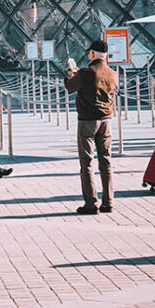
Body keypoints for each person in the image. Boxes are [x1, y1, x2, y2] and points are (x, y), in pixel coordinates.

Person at [64, 40, 118, 214]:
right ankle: (108, 202)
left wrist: (70, 73)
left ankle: (91, 203)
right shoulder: (113, 73)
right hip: (106, 121)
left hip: (87, 121)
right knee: (106, 161)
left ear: (93, 54)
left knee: (86, 163)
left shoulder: (87, 72)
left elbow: (70, 86)